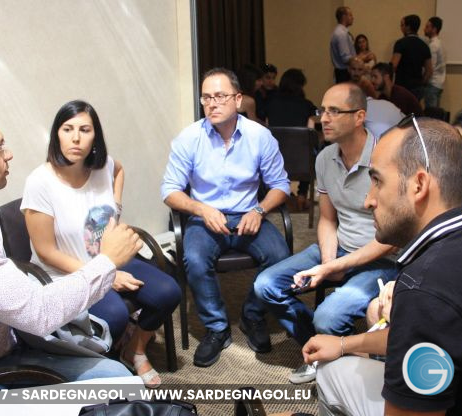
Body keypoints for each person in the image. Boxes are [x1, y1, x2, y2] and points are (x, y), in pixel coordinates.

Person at [0, 108, 141, 388]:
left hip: (4, 344)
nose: (8, 154)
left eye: (85, 130)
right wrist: (108, 261)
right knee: (118, 381)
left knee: (116, 374)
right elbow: (38, 311)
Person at [303, 117, 462, 415]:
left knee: (329, 375)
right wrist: (344, 343)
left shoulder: (425, 288)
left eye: (378, 180)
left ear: (418, 184)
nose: (368, 200)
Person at [21, 100, 181, 388]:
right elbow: (45, 251)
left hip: (109, 259)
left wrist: (115, 209)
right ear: (56, 134)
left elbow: (119, 170)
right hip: (70, 273)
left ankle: (136, 348)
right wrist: (107, 273)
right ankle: (115, 358)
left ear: (96, 136)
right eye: (67, 129)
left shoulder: (103, 165)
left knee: (168, 291)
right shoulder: (40, 182)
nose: (76, 137)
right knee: (115, 315)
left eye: (85, 129)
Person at [254, 83, 398, 384]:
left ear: (359, 117)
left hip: (381, 259)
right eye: (322, 110)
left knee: (329, 316)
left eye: (334, 111)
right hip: (340, 248)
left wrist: (333, 266)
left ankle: (330, 347)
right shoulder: (325, 157)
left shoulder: (386, 158)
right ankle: (321, 348)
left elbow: (393, 236)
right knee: (266, 285)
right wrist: (330, 259)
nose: (324, 119)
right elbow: (328, 219)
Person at [161, 67, 291, 367]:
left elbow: (281, 186)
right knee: (193, 259)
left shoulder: (260, 136)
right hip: (205, 218)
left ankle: (252, 315)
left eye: (220, 96)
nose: (212, 103)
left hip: (248, 214)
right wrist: (201, 208)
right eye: (206, 97)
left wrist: (259, 210)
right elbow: (169, 190)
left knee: (281, 256)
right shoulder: (188, 138)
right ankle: (217, 327)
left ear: (238, 99)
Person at [266, 68, 317, 211]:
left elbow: (266, 127)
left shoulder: (271, 103)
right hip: (301, 162)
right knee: (309, 149)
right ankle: (301, 194)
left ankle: (278, 194)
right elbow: (311, 131)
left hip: (275, 158)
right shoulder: (306, 105)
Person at [390, 14, 432, 101]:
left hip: (402, 87)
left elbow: (393, 65)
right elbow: (429, 70)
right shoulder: (424, 45)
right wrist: (421, 83)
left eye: (402, 25)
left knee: (402, 113)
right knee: (414, 113)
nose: (401, 28)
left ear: (408, 27)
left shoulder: (401, 43)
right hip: (417, 88)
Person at [424, 16, 446, 108]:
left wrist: (423, 82)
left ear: (434, 29)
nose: (424, 29)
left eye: (427, 27)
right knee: (435, 113)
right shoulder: (439, 43)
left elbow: (430, 68)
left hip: (432, 84)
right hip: (439, 83)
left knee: (431, 115)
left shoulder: (433, 46)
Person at [330, 6, 356, 83]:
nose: (353, 17)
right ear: (344, 16)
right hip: (344, 74)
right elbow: (346, 58)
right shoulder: (341, 34)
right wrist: (362, 58)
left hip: (343, 72)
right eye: (350, 15)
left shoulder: (340, 32)